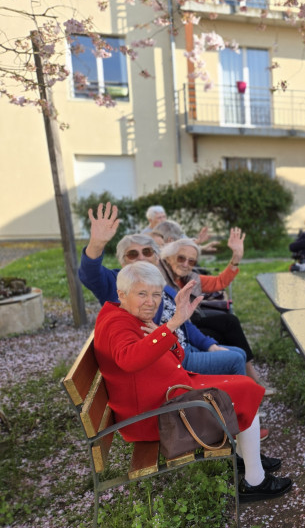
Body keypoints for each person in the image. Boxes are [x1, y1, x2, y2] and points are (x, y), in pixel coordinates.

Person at [94, 262, 291, 501]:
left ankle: (244, 457)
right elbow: (129, 360)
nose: (151, 302)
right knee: (246, 390)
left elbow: (176, 355)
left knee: (243, 385)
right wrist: (171, 325)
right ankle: (255, 481)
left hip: (169, 396)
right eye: (142, 294)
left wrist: (164, 331)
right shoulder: (117, 324)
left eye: (156, 294)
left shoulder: (127, 315)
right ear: (122, 294)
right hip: (154, 415)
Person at [78, 204, 256, 386]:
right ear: (122, 261)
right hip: (166, 359)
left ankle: (235, 396)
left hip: (181, 347)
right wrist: (97, 244)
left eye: (147, 252)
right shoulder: (116, 282)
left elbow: (185, 325)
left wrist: (209, 345)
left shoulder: (160, 285)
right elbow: (89, 274)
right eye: (132, 254)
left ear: (156, 258)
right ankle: (241, 398)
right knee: (234, 358)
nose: (141, 258)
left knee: (238, 353)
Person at [158, 233, 266, 386]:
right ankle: (241, 380)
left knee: (229, 322)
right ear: (169, 258)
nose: (186, 264)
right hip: (180, 332)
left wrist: (236, 258)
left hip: (189, 322)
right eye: (181, 258)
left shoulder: (190, 278)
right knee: (223, 332)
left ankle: (247, 378)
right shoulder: (159, 280)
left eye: (191, 261)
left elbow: (219, 282)